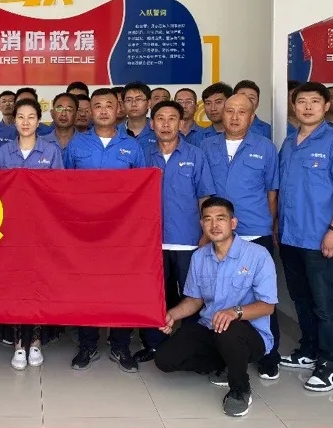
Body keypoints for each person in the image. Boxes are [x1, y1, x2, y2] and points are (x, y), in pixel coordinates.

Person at [154, 197, 277, 418]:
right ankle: (224, 363)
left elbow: (268, 306)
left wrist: (235, 312)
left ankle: (240, 389)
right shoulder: (200, 257)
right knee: (165, 360)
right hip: (210, 328)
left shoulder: (258, 255)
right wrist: (172, 314)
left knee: (228, 327)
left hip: (248, 335)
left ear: (233, 223)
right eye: (208, 219)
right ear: (201, 224)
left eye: (221, 218)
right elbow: (195, 300)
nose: (214, 225)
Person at [278, 81, 333, 392]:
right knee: (300, 297)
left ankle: (330, 363)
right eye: (302, 101)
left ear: (326, 106)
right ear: (294, 106)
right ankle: (309, 350)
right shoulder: (289, 143)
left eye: (314, 101)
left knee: (326, 303)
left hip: (320, 237)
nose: (307, 106)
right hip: (290, 236)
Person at [64, 88, 146, 372]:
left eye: (108, 105)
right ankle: (87, 345)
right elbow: (63, 187)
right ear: (90, 110)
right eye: (97, 105)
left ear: (118, 109)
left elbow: (143, 190)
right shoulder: (76, 145)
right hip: (84, 231)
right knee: (85, 288)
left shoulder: (132, 147)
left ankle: (120, 345)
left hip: (122, 233)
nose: (102, 110)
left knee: (121, 287)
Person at [200, 94, 281, 379]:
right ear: (221, 113)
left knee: (262, 295)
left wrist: (270, 225)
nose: (234, 117)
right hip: (218, 233)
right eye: (230, 111)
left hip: (255, 232)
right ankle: (225, 353)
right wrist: (205, 231)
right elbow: (204, 193)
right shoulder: (206, 146)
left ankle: (269, 355)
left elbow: (272, 193)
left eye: (242, 112)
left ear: (252, 116)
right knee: (221, 293)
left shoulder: (265, 147)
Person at [137, 101, 214, 363]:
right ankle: (154, 345)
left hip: (188, 240)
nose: (166, 124)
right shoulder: (143, 155)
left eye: (172, 119)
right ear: (152, 124)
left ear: (181, 124)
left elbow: (205, 197)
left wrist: (205, 235)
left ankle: (190, 347)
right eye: (160, 118)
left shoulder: (196, 155)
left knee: (192, 296)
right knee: (155, 295)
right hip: (152, 242)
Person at [0, 98, 63, 370]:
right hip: (10, 230)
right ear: (13, 120)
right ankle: (18, 344)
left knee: (38, 284)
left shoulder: (52, 151)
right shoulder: (4, 152)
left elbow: (59, 190)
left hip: (41, 230)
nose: (25, 122)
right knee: (14, 285)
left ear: (39, 120)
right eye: (20, 117)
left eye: (31, 117)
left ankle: (35, 341)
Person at [121, 81, 156, 148]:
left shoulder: (159, 130)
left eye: (138, 99)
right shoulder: (115, 132)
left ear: (149, 103)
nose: (133, 104)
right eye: (129, 100)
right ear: (123, 105)